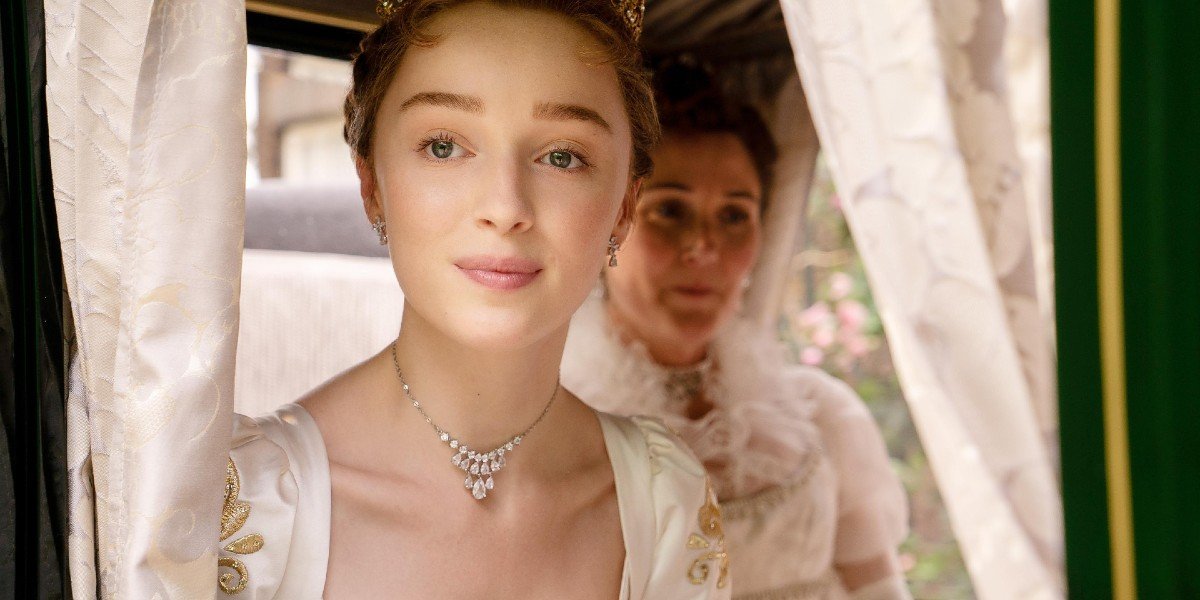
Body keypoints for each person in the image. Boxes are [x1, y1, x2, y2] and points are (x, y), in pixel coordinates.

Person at [216, 2, 730, 598]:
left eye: (561, 156)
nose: (505, 208)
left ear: (623, 207)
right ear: (372, 185)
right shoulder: (245, 508)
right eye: (443, 147)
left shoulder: (665, 506)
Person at [562, 61, 912, 600]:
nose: (703, 246)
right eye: (670, 210)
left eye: (733, 216)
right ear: (611, 224)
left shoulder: (820, 417)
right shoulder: (558, 432)